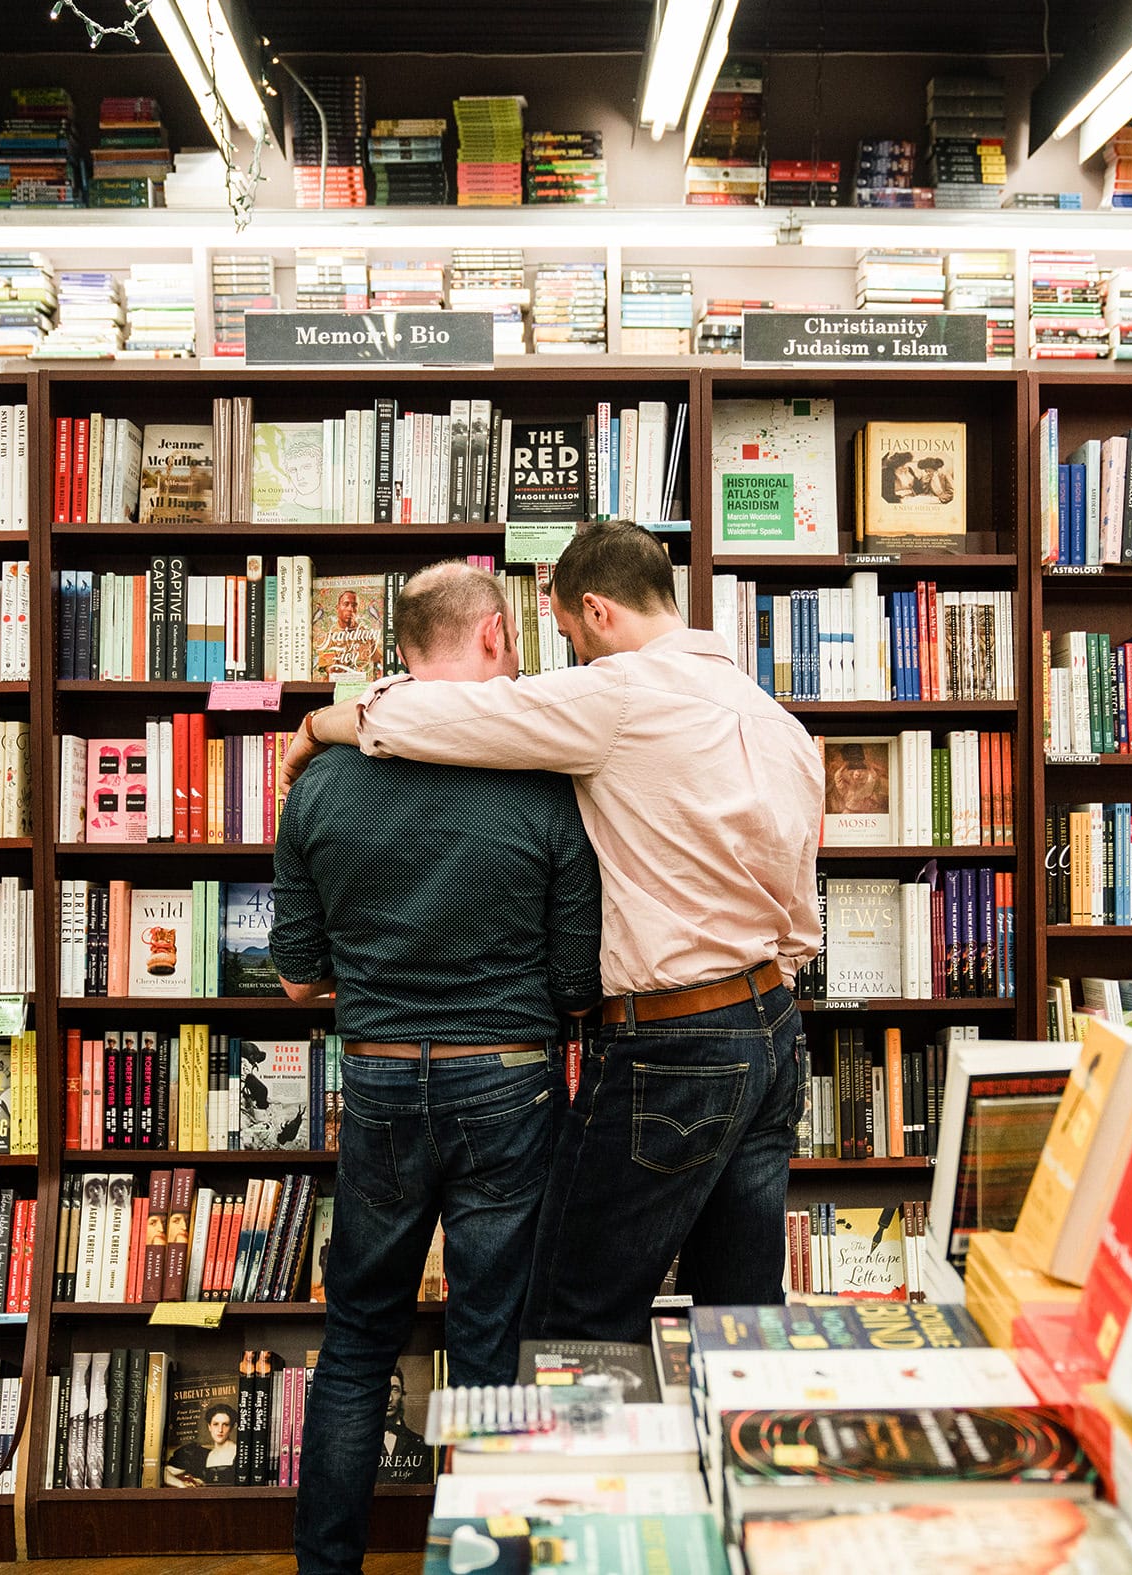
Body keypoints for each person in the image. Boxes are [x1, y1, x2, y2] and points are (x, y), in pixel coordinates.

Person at [280, 521, 825, 1342]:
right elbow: (797, 912)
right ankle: (741, 1463)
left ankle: (567, 1476)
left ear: (597, 611)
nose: (566, 654)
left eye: (568, 634)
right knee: (739, 1322)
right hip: (773, 1030)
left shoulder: (616, 695)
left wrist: (321, 725)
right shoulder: (776, 720)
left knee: (570, 1319)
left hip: (672, 1038)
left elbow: (444, 716)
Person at [274, 560, 601, 1575]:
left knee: (358, 1338)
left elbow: (295, 981)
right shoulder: (544, 785)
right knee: (491, 1341)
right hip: (508, 1075)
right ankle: (487, 1563)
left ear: (398, 649)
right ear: (498, 637)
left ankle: (327, 1567)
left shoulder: (317, 782)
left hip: (374, 1078)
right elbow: (579, 979)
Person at [164, 1403, 237, 1487]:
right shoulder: (198, 1455)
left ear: (232, 1427)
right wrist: (181, 1485)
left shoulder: (241, 1454)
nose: (220, 1430)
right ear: (209, 1427)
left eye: (225, 1424)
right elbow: (163, 1473)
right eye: (216, 1424)